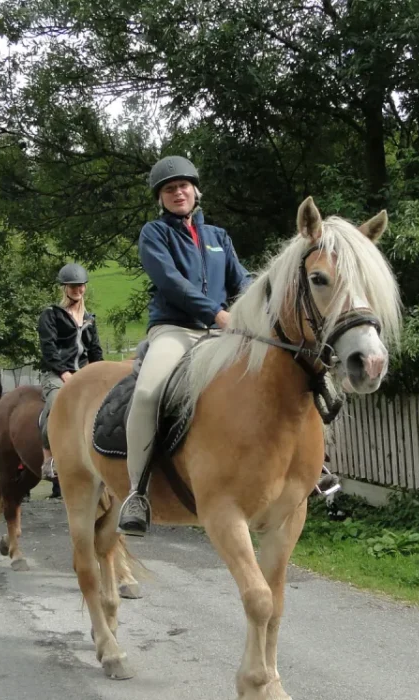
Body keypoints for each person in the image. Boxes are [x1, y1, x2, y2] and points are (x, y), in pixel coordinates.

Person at [117, 155, 251, 536]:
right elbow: (172, 283)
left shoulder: (218, 238)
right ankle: (136, 494)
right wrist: (217, 314)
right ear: (161, 198)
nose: (178, 193)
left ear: (196, 191)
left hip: (221, 332)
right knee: (146, 395)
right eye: (169, 189)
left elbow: (240, 280)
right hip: (175, 331)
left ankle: (309, 470)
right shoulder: (154, 235)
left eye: (183, 186)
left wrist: (260, 303)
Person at [37, 262, 105, 481]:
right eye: (73, 286)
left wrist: (101, 374)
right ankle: (49, 459)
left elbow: (95, 351)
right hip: (56, 374)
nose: (77, 290)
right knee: (57, 403)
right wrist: (65, 373)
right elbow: (48, 349)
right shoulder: (51, 315)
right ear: (64, 288)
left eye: (81, 285)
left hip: (84, 375)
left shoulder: (89, 319)